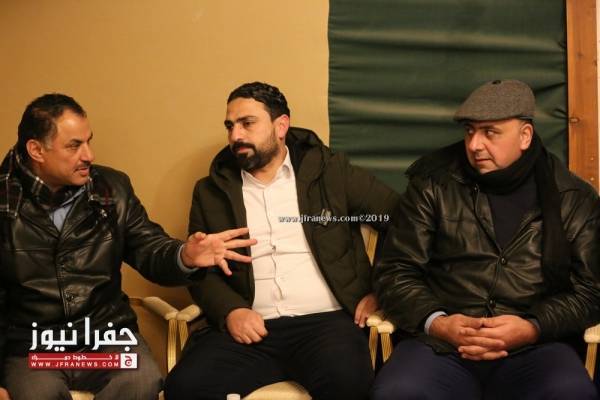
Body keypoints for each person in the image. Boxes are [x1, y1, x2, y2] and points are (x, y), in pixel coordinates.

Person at [0, 93, 256, 400]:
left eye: (88, 142)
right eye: (74, 145)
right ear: (36, 150)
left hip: (105, 335)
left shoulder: (112, 189)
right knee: (37, 393)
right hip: (33, 346)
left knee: (140, 380)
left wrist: (185, 256)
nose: (89, 155)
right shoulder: (5, 201)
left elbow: (149, 248)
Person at [164, 82, 400, 400]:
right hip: (250, 327)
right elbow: (202, 271)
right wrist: (230, 311)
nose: (235, 135)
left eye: (247, 123)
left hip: (327, 324)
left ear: (281, 126)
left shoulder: (331, 172)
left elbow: (403, 221)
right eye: (230, 126)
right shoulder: (211, 191)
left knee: (349, 385)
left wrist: (380, 289)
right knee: (184, 388)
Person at [371, 79, 600, 399]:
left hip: (537, 346)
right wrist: (438, 323)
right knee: (398, 393)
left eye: (490, 132)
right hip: (441, 346)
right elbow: (395, 272)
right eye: (470, 131)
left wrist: (532, 326)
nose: (475, 144)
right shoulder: (433, 183)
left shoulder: (573, 197)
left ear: (525, 136)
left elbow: (590, 292)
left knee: (570, 394)